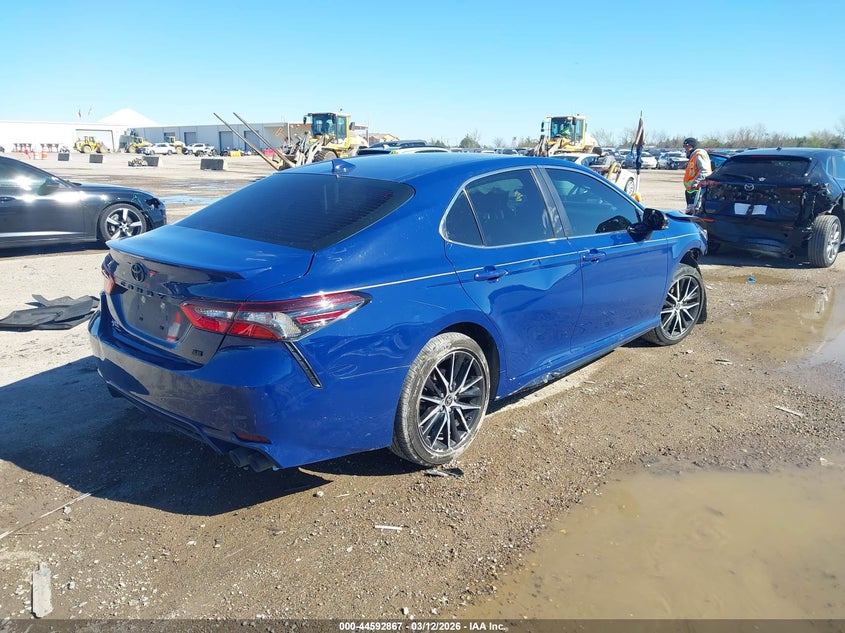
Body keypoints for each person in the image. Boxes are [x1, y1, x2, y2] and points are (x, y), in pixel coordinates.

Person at [682, 137, 711, 212]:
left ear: (693, 147)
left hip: (697, 190)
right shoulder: (693, 157)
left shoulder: (699, 155)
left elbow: (705, 171)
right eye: (685, 147)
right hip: (691, 191)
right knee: (689, 213)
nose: (686, 149)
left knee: (694, 215)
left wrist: (695, 183)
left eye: (687, 147)